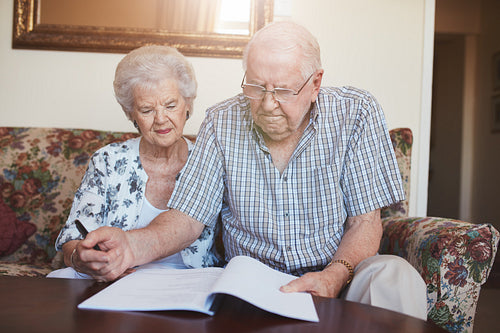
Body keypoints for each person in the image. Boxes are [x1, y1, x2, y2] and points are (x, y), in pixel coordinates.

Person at [78, 22, 427, 319]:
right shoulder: (221, 120)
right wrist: (130, 246)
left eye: (285, 91)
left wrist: (333, 276)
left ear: (316, 83)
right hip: (253, 283)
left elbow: (365, 223)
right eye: (256, 88)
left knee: (395, 276)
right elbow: (186, 219)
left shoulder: (356, 114)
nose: (268, 104)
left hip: (339, 273)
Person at [48, 45, 221, 279]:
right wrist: (82, 259)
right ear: (130, 113)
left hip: (187, 282)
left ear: (188, 104)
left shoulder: (209, 159)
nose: (161, 119)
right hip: (118, 280)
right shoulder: (108, 161)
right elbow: (72, 240)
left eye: (170, 105)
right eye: (147, 109)